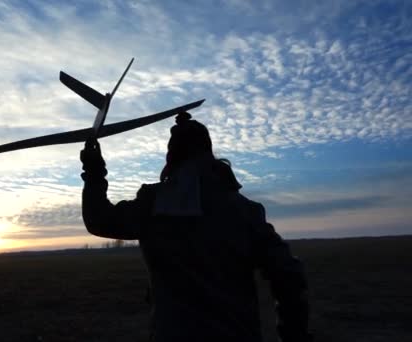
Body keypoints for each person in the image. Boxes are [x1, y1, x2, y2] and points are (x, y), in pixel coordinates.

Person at [80, 112, 312, 342]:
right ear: (208, 152)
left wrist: (94, 173)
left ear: (172, 157)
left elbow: (100, 219)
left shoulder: (153, 205)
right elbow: (288, 274)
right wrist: (295, 335)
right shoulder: (245, 211)